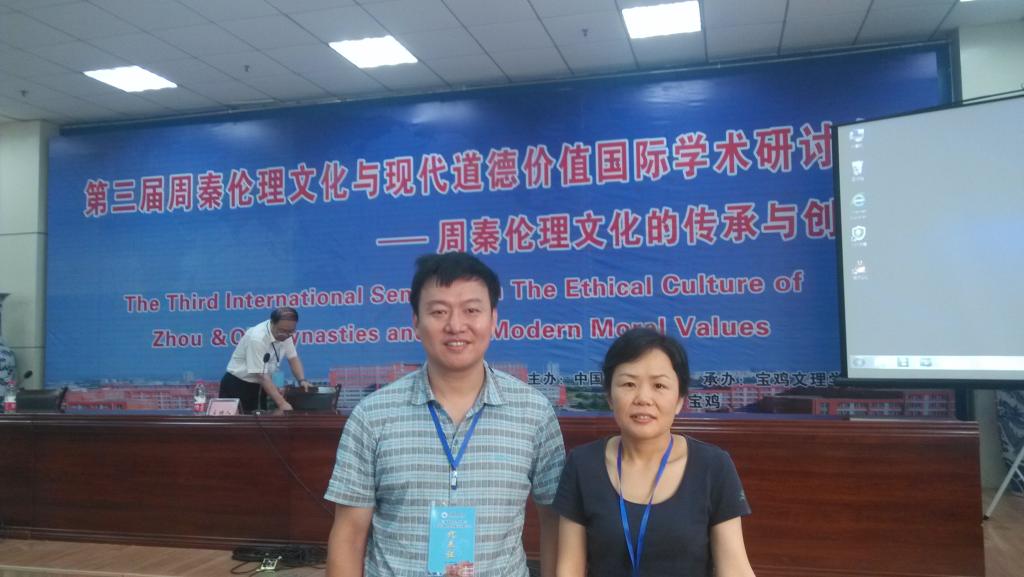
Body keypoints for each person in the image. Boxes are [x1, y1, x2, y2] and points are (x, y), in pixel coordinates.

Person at [325, 252, 565, 577]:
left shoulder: (534, 413)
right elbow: (349, 534)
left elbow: (555, 523)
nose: (455, 325)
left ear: (494, 319)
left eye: (471, 310)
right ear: (416, 322)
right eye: (438, 311)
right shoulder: (372, 416)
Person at [554, 328, 755, 577]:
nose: (643, 398)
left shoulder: (713, 466)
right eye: (629, 384)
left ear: (680, 399)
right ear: (609, 396)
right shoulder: (582, 464)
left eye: (659, 385)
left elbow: (734, 568)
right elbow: (569, 569)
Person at [219, 307, 312, 413]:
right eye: (283, 331)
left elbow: (293, 358)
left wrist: (302, 380)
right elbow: (261, 375)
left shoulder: (286, 334)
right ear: (272, 323)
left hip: (259, 386)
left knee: (261, 421)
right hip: (238, 385)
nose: (286, 335)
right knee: (236, 423)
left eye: (291, 331)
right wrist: (282, 403)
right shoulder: (257, 338)